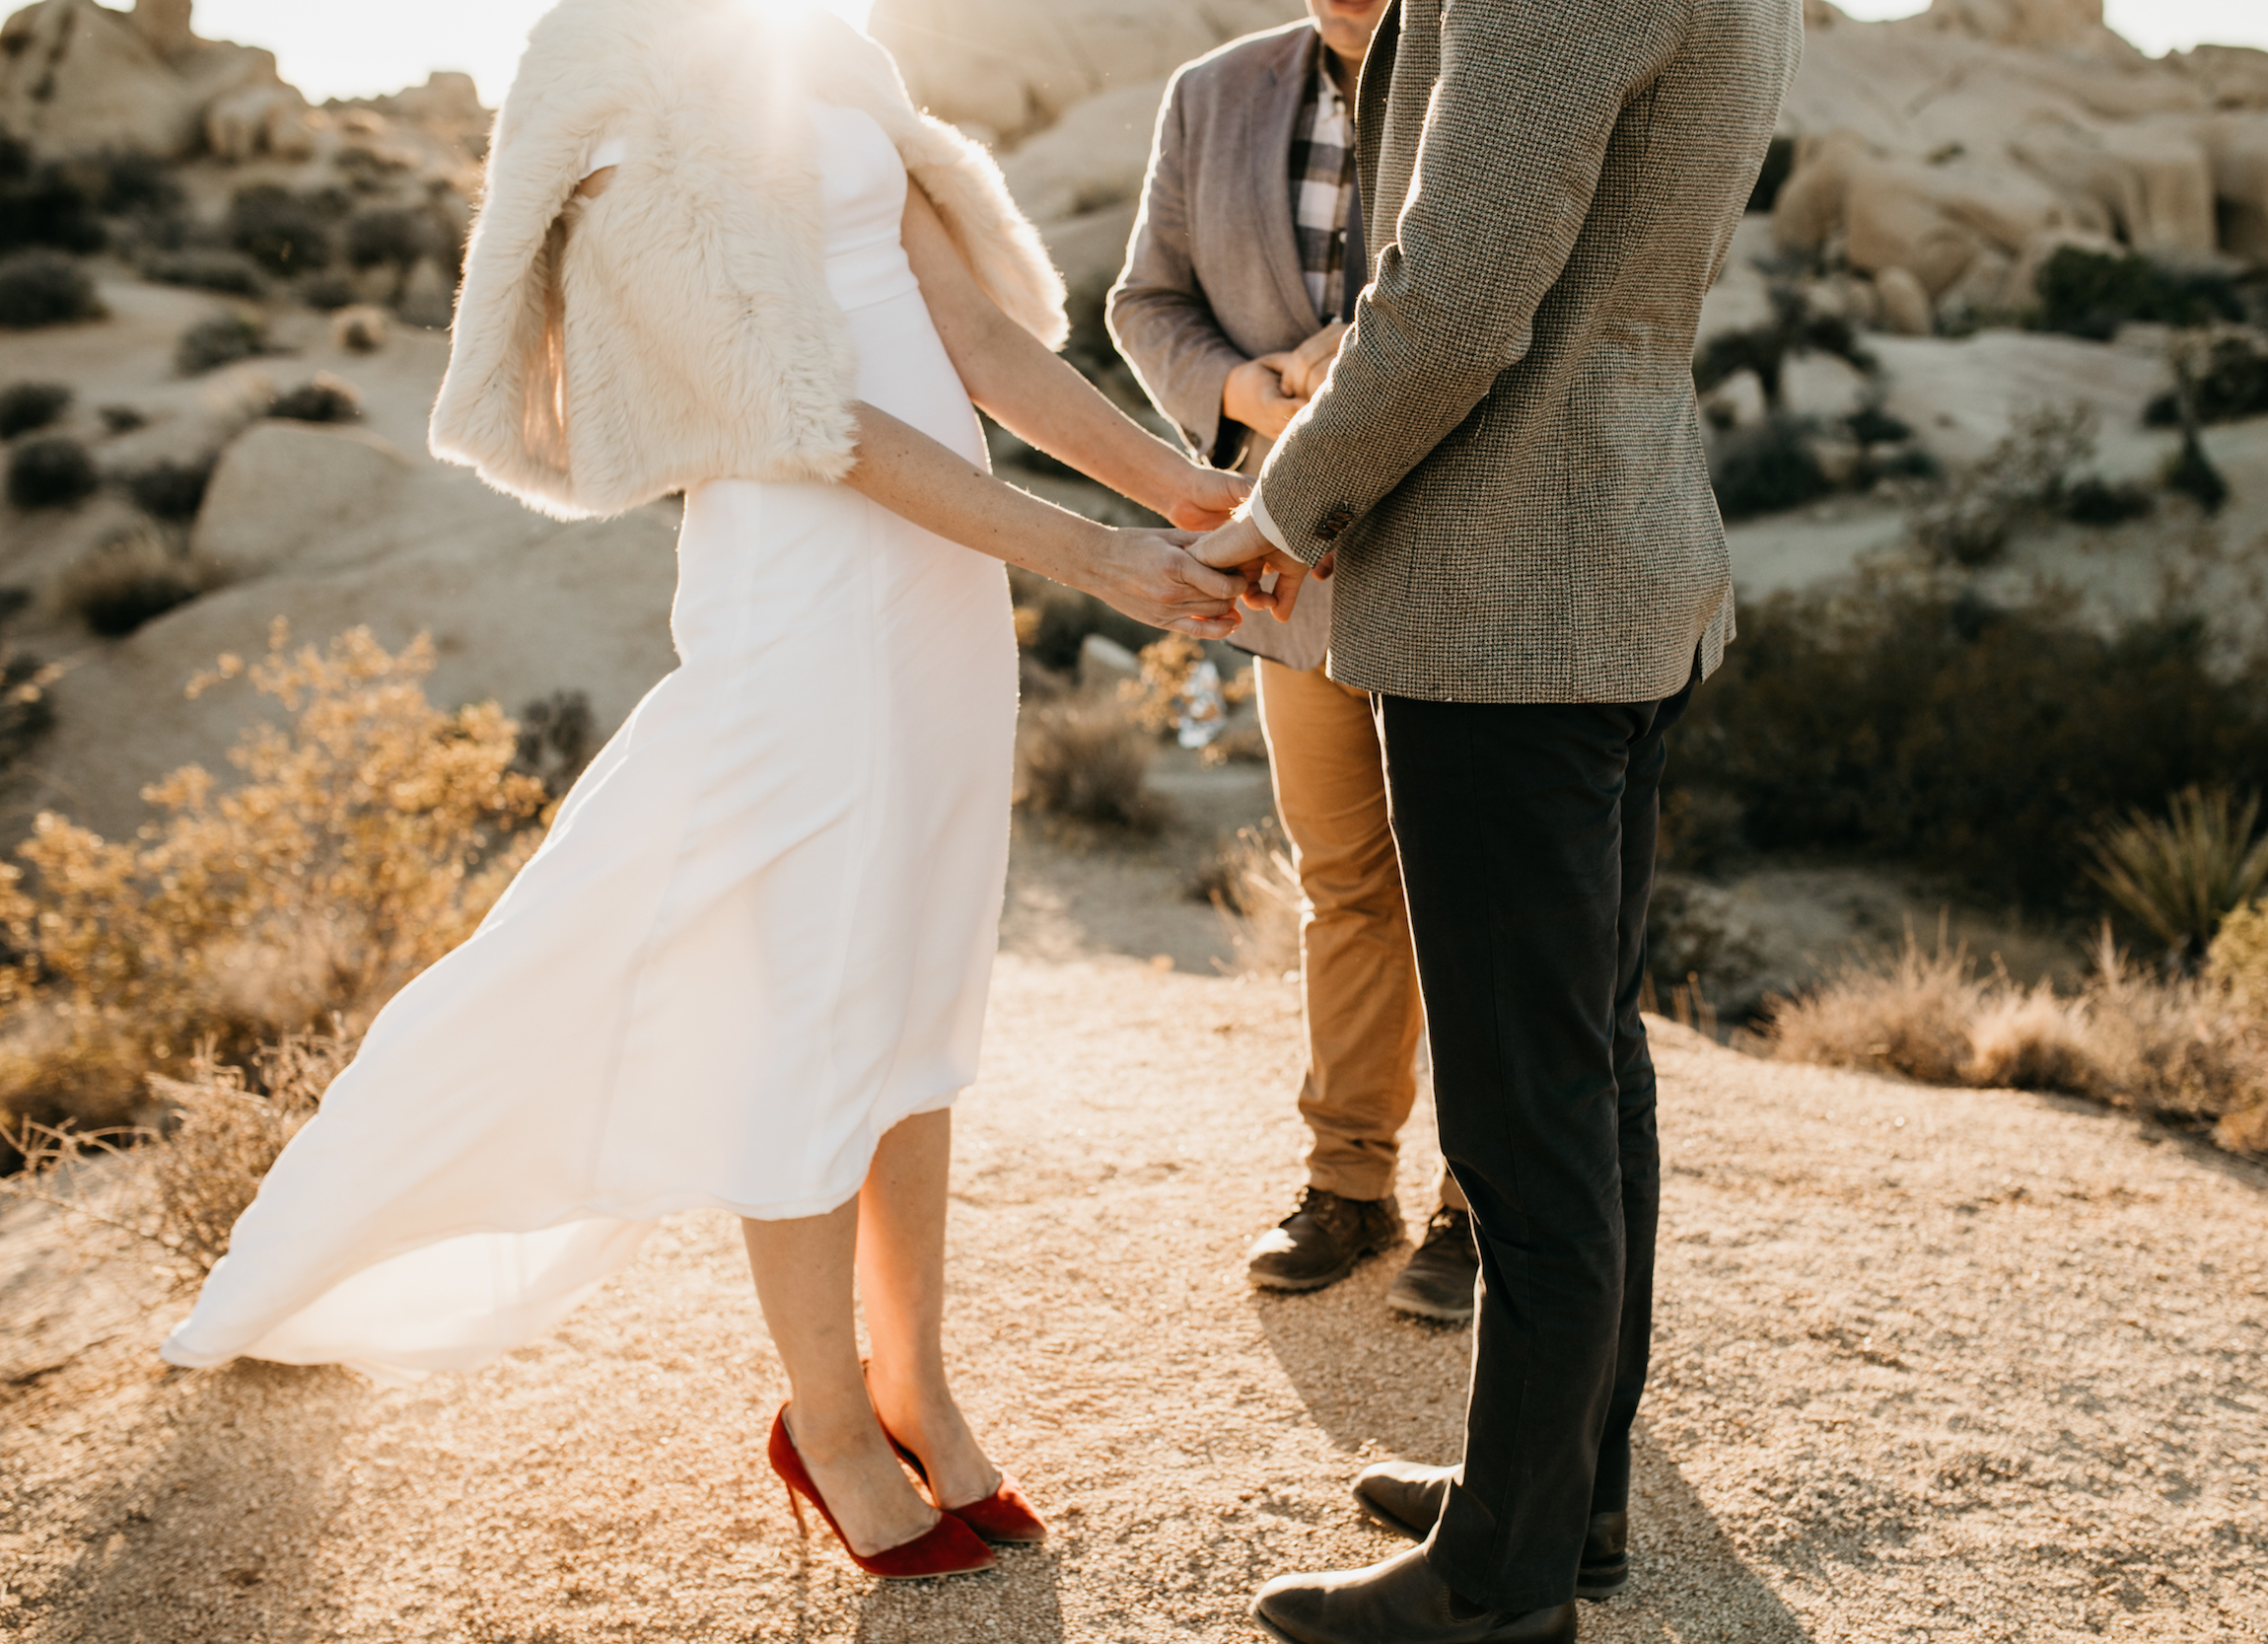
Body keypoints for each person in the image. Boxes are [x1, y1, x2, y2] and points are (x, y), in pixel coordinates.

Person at [160, 0, 1248, 1586]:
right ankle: (827, 1419)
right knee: (813, 997)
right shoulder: (602, 76)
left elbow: (981, 341)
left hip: (950, 591)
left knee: (917, 992)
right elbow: (785, 400)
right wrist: (1093, 558)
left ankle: (917, 1386)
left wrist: (1192, 497)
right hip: (807, 590)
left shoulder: (829, 46)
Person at [1193, 1, 1804, 1639]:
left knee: (1531, 1109)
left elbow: (1456, 301)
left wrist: (1284, 511)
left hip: (1510, 607)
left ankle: (1504, 1583)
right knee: (1588, 1071)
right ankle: (1558, 1491)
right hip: (1624, 566)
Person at [1108, 0, 1475, 1323]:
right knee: (1346, 886)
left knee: (1477, 895)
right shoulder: (1216, 93)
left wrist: (1349, 390)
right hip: (1289, 567)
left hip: (1464, 549)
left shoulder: (1488, 54)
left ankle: (1480, 1208)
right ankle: (1349, 1185)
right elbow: (1143, 298)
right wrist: (1251, 394)